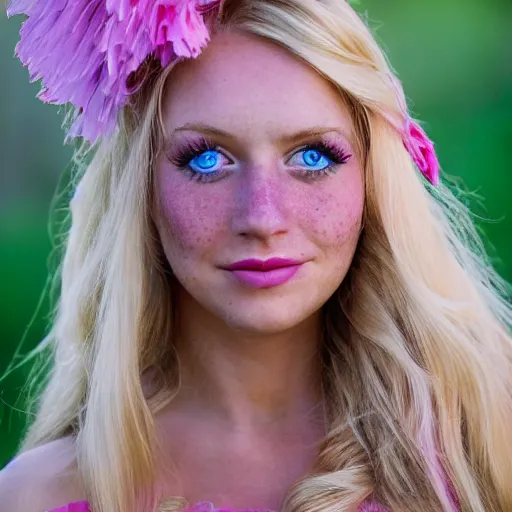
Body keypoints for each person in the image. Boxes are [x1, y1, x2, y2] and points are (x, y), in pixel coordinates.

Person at [1, 0, 511, 511]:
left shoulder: (490, 445)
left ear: (373, 180)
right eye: (208, 159)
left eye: (312, 156)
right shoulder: (34, 496)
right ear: (144, 192)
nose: (263, 218)